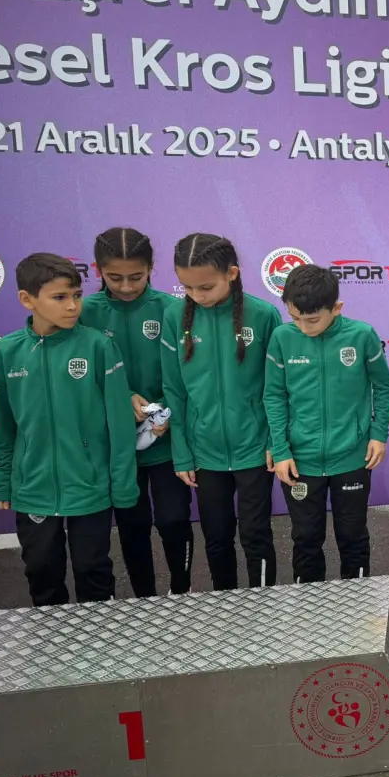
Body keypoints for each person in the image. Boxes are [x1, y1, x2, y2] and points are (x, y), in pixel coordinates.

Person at [0, 254, 139, 606]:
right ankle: (51, 641)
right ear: (27, 299)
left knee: (93, 570)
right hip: (33, 488)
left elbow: (120, 425)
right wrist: (4, 479)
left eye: (76, 295)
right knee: (41, 570)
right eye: (59, 297)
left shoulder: (98, 346)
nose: (72, 306)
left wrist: (123, 484)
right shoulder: (8, 351)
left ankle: (100, 638)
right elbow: (5, 425)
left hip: (89, 485)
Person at [160, 234, 281, 590]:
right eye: (187, 288)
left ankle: (264, 605)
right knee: (216, 536)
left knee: (256, 534)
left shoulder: (263, 315)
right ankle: (225, 610)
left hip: (255, 448)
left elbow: (278, 387)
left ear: (232, 273)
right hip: (204, 451)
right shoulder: (174, 317)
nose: (197, 295)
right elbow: (174, 390)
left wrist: (275, 441)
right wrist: (182, 452)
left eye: (206, 287)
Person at [80, 227, 196, 596]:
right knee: (133, 526)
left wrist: (167, 413)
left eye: (137, 276)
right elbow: (80, 377)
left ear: (151, 268)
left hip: (166, 441)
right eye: (115, 277)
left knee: (174, 520)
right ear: (98, 270)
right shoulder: (84, 313)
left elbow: (190, 373)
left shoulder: (173, 309)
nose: (127, 286)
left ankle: (181, 591)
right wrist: (124, 396)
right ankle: (143, 600)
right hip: (117, 446)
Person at [264, 264, 389, 584]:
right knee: (306, 538)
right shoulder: (282, 338)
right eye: (295, 318)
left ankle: (359, 602)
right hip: (301, 460)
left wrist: (378, 433)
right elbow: (274, 395)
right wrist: (280, 449)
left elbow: (384, 387)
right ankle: (311, 608)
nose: (303, 327)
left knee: (352, 536)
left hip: (351, 457)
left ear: (336, 308)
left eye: (312, 320)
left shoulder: (361, 335)